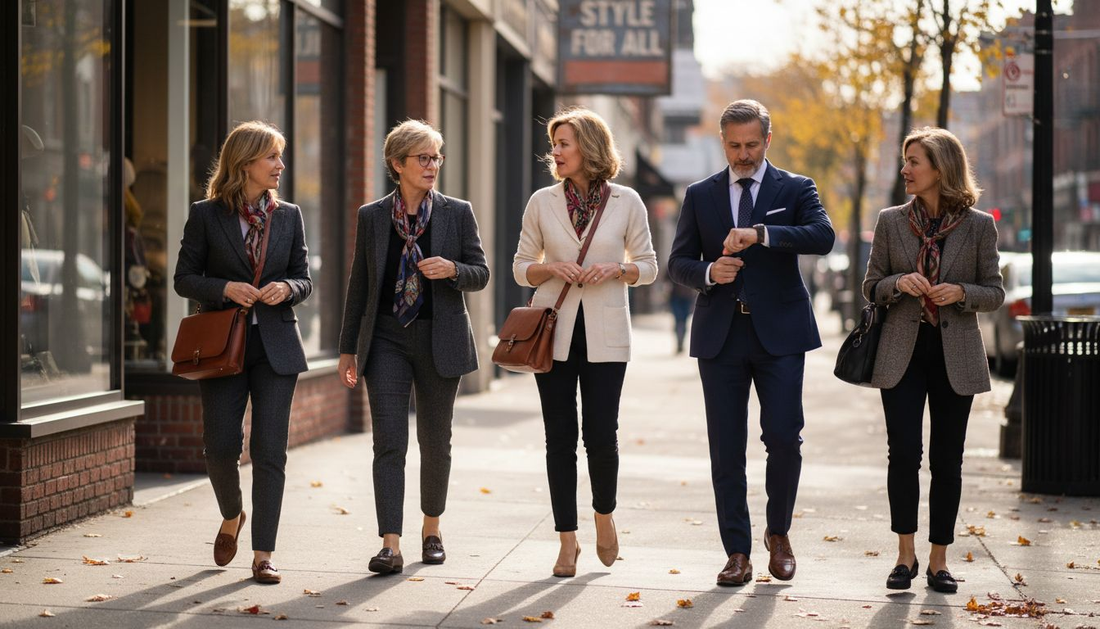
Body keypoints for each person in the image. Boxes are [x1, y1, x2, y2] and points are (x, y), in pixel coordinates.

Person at [667, 99, 834, 586]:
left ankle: (777, 533)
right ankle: (736, 551)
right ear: (723, 142)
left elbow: (822, 237)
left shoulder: (796, 187)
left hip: (780, 335)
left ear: (767, 140)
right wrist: (708, 272)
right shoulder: (700, 194)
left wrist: (761, 233)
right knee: (726, 448)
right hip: (721, 335)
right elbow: (679, 261)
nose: (743, 155)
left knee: (784, 438)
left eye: (752, 145)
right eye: (734, 146)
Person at [337, 120, 489, 575]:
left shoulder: (456, 212)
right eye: (423, 158)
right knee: (389, 441)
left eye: (436, 157)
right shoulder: (371, 216)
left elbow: (480, 273)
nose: (432, 166)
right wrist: (349, 349)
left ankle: (432, 529)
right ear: (397, 164)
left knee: (435, 441)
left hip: (439, 337)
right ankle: (390, 544)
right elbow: (359, 286)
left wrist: (453, 270)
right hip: (385, 339)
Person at [512, 107, 658, 578]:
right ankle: (566, 540)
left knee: (601, 435)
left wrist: (618, 269)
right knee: (559, 439)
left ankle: (604, 516)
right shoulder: (541, 201)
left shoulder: (628, 201)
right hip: (552, 332)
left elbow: (650, 266)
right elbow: (520, 266)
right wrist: (551, 267)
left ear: (589, 148)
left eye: (564, 144)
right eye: (554, 144)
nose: (555, 152)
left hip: (606, 333)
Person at [863, 127, 1004, 593]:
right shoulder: (890, 220)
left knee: (948, 461)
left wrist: (962, 292)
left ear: (940, 168)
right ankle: (905, 556)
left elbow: (995, 291)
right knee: (903, 455)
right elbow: (871, 286)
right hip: (902, 352)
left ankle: (939, 561)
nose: (905, 169)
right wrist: (899, 283)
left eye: (914, 161)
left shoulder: (979, 225)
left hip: (955, 355)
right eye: (905, 160)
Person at [174, 121, 312, 584]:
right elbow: (184, 278)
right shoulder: (206, 215)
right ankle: (232, 514)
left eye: (280, 156)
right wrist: (226, 288)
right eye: (272, 156)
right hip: (220, 347)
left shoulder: (289, 215)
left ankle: (263, 554)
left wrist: (286, 288)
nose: (280, 165)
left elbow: (304, 277)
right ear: (245, 161)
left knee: (270, 451)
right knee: (220, 449)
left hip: (276, 348)